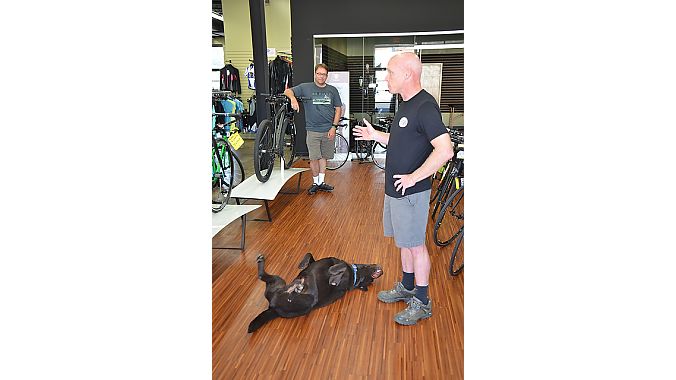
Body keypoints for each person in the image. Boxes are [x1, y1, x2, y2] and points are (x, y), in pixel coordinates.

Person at [353, 52, 453, 325]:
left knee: (416, 246)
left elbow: (445, 150)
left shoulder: (424, 107)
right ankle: (407, 286)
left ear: (408, 74)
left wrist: (413, 177)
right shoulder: (406, 104)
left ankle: (422, 301)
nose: (387, 77)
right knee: (404, 243)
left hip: (411, 193)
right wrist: (376, 135)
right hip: (395, 190)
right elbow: (401, 141)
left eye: (391, 72)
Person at [284, 63, 342, 195]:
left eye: (324, 74)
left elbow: (338, 109)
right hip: (312, 130)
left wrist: (334, 127)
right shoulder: (305, 87)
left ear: (327, 76)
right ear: (315, 74)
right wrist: (293, 98)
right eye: (319, 73)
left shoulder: (332, 90)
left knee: (324, 157)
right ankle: (315, 182)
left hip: (328, 130)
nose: (321, 76)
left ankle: (321, 182)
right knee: (314, 158)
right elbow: (287, 91)